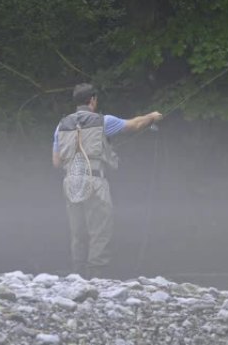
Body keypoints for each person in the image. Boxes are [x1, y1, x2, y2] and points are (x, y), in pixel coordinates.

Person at [52, 83, 163, 279]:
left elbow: (56, 161)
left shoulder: (61, 126)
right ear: (93, 100)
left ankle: (77, 276)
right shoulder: (103, 121)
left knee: (78, 233)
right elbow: (135, 124)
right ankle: (97, 277)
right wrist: (152, 117)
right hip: (95, 181)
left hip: (70, 183)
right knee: (100, 231)